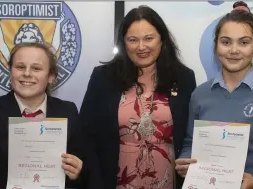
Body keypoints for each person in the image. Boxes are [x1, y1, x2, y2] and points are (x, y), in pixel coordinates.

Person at [78, 5, 196, 189]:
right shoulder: (104, 77)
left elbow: (191, 135)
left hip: (167, 181)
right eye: (133, 40)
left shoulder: (184, 78)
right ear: (123, 43)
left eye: (149, 38)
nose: (141, 47)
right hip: (116, 182)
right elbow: (85, 135)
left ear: (162, 40)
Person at [175, 1, 253, 189]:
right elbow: (190, 142)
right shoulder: (200, 94)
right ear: (216, 45)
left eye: (244, 42)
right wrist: (184, 162)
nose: (234, 50)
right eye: (226, 42)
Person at [0, 42, 83, 189]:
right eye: (20, 67)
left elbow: (84, 169)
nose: (27, 73)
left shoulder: (68, 111)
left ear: (51, 76)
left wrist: (77, 172)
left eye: (36, 68)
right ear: (10, 71)